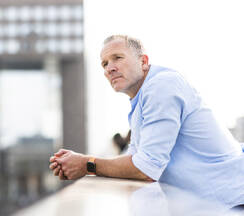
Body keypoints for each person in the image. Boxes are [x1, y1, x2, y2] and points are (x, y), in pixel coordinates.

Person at [49, 34, 244, 207]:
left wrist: (86, 164)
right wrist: (78, 162)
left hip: (234, 201)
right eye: (104, 63)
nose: (110, 68)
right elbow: (133, 161)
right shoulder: (139, 103)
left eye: (117, 58)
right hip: (215, 207)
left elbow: (145, 168)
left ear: (143, 61)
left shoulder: (161, 86)